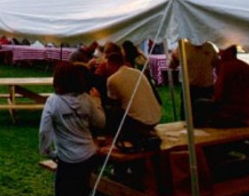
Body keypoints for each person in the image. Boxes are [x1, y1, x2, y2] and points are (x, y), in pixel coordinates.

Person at [39, 61, 106, 196]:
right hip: (88, 155)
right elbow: (101, 123)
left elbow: (44, 131)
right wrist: (97, 102)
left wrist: (48, 151)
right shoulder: (87, 99)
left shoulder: (53, 101)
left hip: (67, 159)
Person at [105, 52, 162, 150]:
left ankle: (120, 138)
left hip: (140, 122)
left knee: (109, 110)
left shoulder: (112, 79)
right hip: (156, 118)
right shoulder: (138, 72)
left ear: (111, 64)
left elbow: (113, 103)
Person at [194, 45, 249, 127]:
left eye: (221, 51)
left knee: (199, 103)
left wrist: (213, 100)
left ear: (229, 52)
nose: (219, 53)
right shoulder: (246, 66)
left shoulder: (226, 67)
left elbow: (219, 93)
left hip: (234, 110)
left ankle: (201, 130)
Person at [169, 41, 219, 120]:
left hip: (207, 87)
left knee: (206, 117)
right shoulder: (183, 46)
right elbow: (172, 65)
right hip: (189, 88)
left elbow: (216, 63)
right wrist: (173, 58)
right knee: (188, 116)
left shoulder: (209, 47)